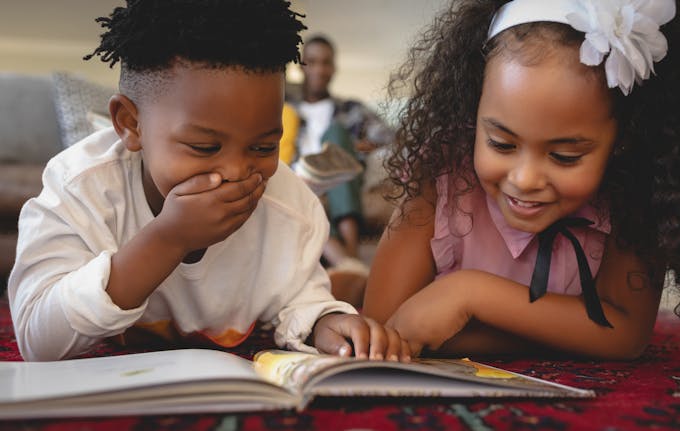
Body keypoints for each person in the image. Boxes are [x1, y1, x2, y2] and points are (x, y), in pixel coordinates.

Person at [8, 0, 411, 363]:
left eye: (263, 147)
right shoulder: (80, 189)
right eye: (203, 147)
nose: (237, 172)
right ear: (131, 124)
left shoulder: (290, 207)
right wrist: (167, 239)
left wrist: (327, 322)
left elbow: (300, 300)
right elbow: (37, 340)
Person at [363, 0, 680, 360]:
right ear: (472, 109)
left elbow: (626, 335)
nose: (526, 178)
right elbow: (383, 326)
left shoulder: (636, 189)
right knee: (350, 300)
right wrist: (572, 333)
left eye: (565, 156)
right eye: (500, 143)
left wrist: (470, 295)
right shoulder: (440, 173)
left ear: (625, 140)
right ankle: (345, 282)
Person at [287, 34, 395, 297]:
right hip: (302, 179)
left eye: (325, 63)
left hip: (342, 176)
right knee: (298, 190)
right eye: (312, 62)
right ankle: (351, 264)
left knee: (335, 134)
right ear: (301, 66)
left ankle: (349, 257)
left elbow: (391, 137)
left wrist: (354, 145)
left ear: (333, 67)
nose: (319, 69)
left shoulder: (350, 109)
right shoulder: (286, 109)